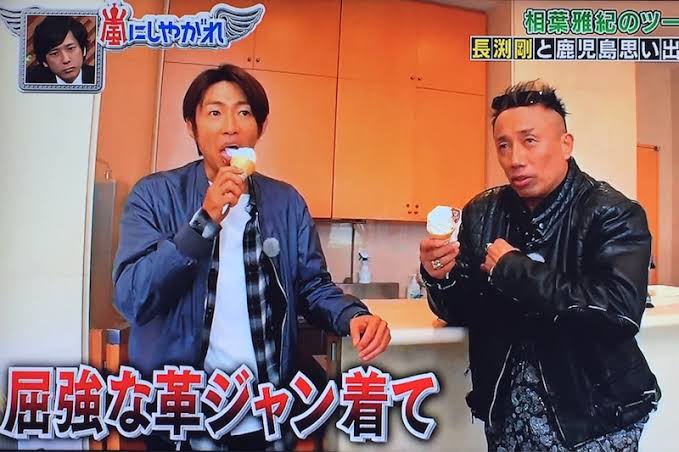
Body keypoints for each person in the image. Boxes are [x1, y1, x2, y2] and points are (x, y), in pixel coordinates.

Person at [113, 64, 391, 450]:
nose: (231, 126)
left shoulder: (285, 202)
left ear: (260, 127)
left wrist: (352, 315)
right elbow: (132, 297)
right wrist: (204, 221)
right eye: (215, 112)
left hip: (263, 413)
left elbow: (312, 286)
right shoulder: (155, 196)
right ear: (191, 127)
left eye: (244, 112)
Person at [420, 80, 660, 451]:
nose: (515, 159)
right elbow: (461, 310)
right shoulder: (482, 212)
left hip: (595, 418)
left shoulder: (612, 212)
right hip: (507, 414)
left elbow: (619, 313)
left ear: (566, 144)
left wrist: (514, 270)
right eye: (503, 145)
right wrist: (440, 278)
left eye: (529, 141)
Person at [26, 16, 94, 84]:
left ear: (83, 50)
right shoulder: (29, 81)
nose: (66, 60)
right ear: (44, 62)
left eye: (70, 48)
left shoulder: (97, 76)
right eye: (55, 53)